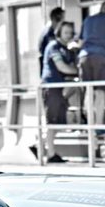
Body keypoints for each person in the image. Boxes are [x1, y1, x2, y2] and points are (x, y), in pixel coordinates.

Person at [36, 21, 81, 163]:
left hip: (60, 88)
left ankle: (41, 147)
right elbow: (62, 67)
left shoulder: (66, 49)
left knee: (58, 122)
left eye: (71, 33)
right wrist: (80, 72)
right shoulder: (53, 46)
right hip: (51, 87)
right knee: (52, 122)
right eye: (66, 32)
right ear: (59, 33)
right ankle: (50, 154)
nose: (69, 35)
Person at [77, 0, 105, 130]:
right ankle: (99, 125)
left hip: (84, 57)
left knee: (89, 91)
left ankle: (89, 123)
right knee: (100, 92)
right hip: (100, 56)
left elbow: (80, 43)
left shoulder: (88, 20)